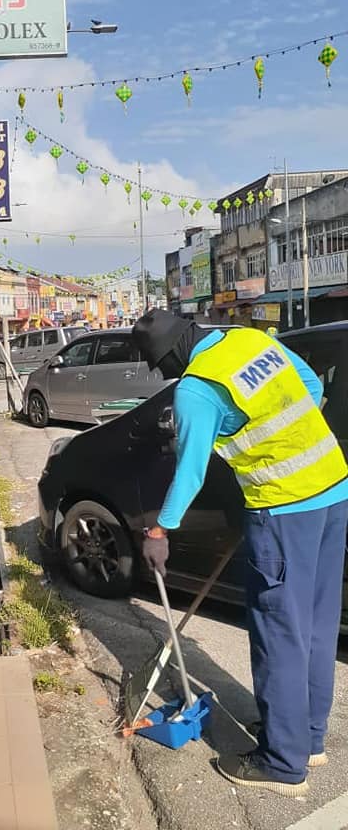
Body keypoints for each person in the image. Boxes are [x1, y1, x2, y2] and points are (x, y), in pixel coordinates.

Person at [132, 309, 348, 798]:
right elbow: (311, 387)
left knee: (279, 636)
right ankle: (307, 738)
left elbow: (189, 474)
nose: (168, 375)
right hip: (333, 489)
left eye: (163, 365)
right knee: (314, 624)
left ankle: (283, 763)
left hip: (283, 512)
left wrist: (160, 530)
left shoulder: (196, 389)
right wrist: (273, 455)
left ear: (170, 356)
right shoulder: (249, 340)